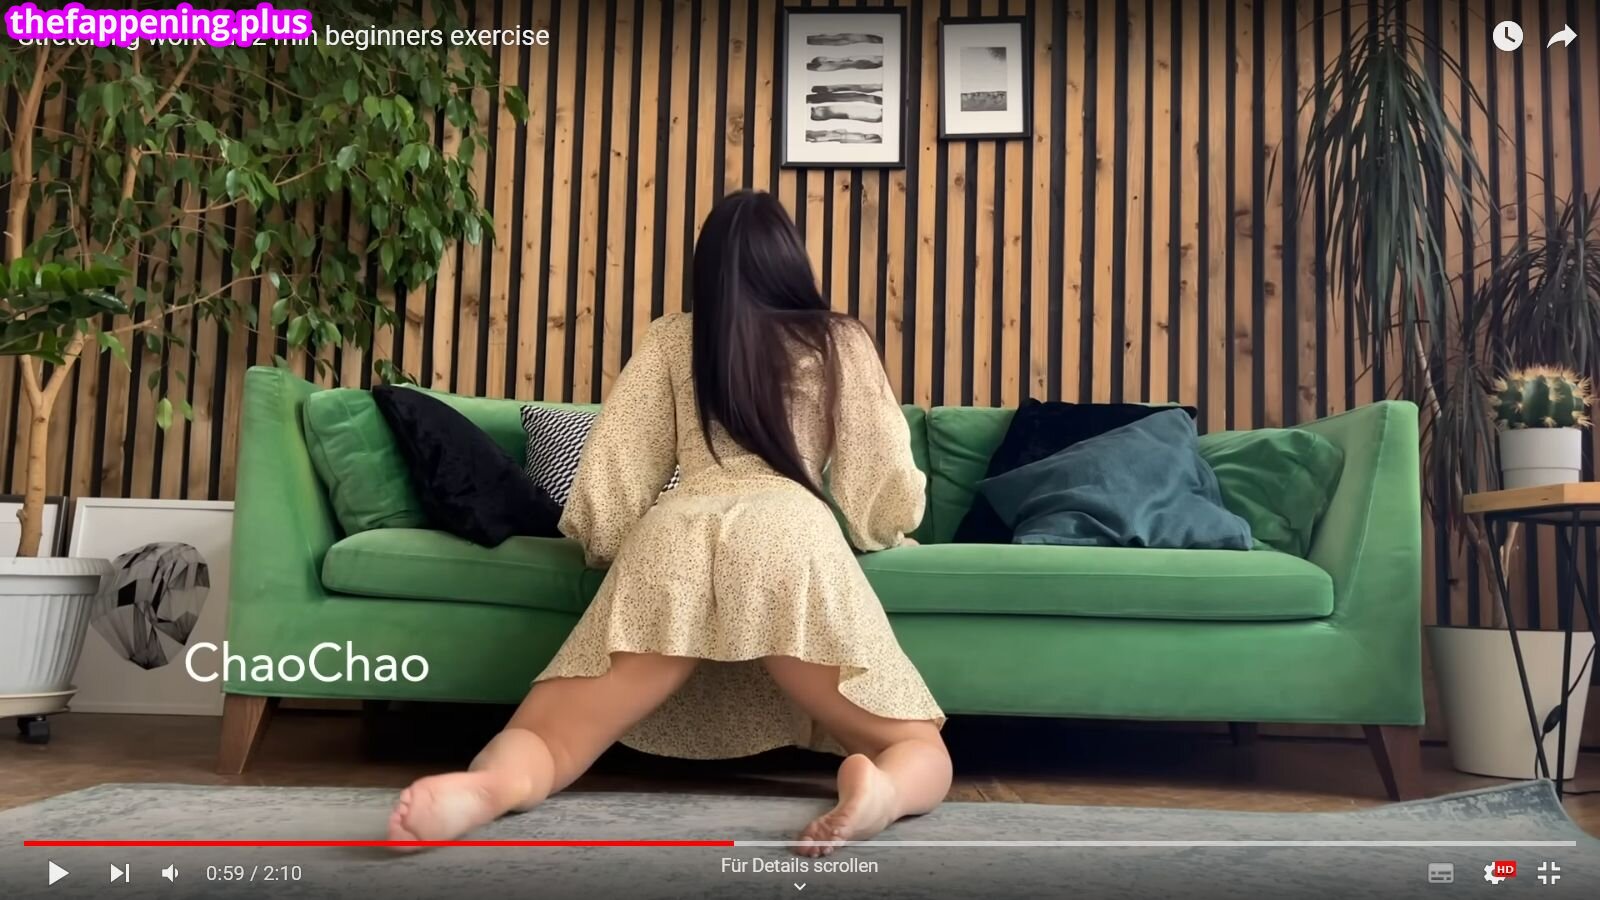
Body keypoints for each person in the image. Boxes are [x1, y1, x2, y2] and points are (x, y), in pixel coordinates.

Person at [387, 190, 949, 856]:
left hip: (674, 536)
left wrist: (605, 547)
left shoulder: (674, 338)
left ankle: (486, 789)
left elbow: (616, 467)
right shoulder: (837, 339)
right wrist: (885, 529)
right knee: (916, 746)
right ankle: (882, 790)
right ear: (790, 261)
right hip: (790, 536)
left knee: (545, 740)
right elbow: (877, 476)